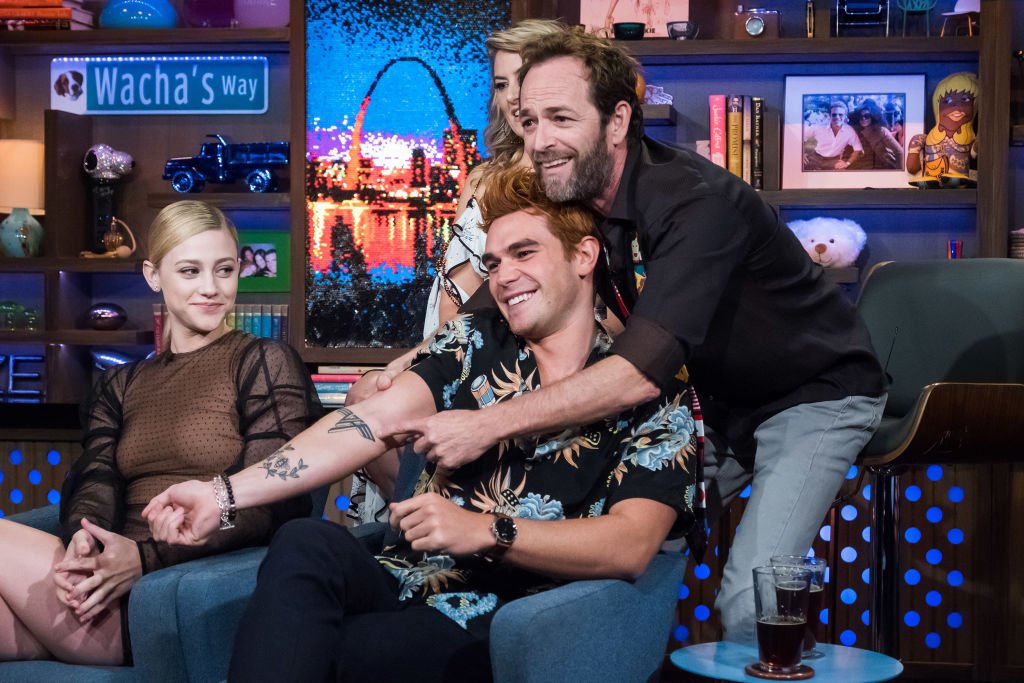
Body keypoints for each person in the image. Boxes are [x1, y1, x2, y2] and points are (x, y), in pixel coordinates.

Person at [386, 26, 888, 645]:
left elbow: (636, 373)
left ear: (617, 121)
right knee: (593, 527)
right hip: (712, 402)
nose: (539, 142)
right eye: (530, 120)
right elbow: (489, 307)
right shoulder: (575, 194)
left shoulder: (696, 204)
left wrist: (486, 423)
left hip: (811, 393)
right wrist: (407, 366)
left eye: (560, 119)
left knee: (748, 603)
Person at [142, 168, 702, 682]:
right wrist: (223, 495)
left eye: (523, 253)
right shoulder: (474, 342)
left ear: (584, 256)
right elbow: (367, 421)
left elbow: (631, 544)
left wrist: (483, 530)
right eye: (494, 263)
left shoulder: (646, 384)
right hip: (403, 577)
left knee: (336, 651)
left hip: (511, 611)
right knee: (305, 540)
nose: (504, 277)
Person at [0, 200, 320, 665]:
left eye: (225, 270)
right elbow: (95, 479)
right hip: (94, 587)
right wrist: (83, 541)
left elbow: (273, 499)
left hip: (167, 592)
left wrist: (145, 559)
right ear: (154, 276)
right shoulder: (121, 383)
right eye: (190, 271)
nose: (211, 288)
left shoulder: (262, 361)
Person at [346, 19, 566, 527]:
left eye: (524, 81)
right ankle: (414, 535)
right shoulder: (482, 175)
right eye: (501, 83)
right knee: (364, 402)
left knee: (368, 403)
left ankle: (420, 538)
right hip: (445, 342)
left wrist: (416, 359)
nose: (512, 99)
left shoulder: (554, 180)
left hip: (492, 353)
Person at [907, 71, 978, 187]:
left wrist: (980, 143)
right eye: (947, 101)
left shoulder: (969, 136)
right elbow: (912, 164)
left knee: (956, 180)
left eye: (965, 100)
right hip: (932, 176)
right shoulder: (931, 136)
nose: (956, 106)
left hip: (959, 178)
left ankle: (953, 180)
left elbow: (974, 152)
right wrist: (913, 152)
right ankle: (932, 181)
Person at [802, 99, 863, 170]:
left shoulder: (849, 131)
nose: (837, 117)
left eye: (840, 115)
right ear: (830, 116)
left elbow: (858, 149)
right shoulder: (819, 127)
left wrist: (847, 163)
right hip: (815, 158)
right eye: (834, 115)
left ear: (845, 116)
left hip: (834, 160)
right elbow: (801, 137)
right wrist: (802, 154)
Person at [849, 99, 903, 170]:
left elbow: (899, 152)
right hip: (861, 169)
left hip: (882, 169)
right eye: (860, 116)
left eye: (867, 116)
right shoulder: (854, 132)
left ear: (873, 116)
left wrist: (899, 172)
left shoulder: (881, 131)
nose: (863, 118)